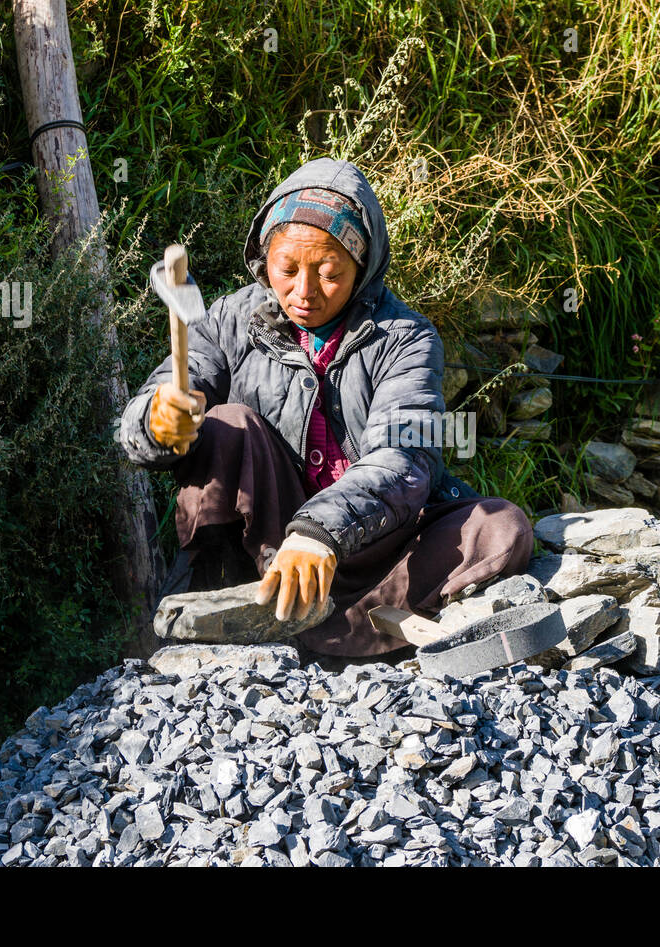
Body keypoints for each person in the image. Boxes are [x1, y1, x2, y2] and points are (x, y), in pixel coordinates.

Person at [116, 157, 533, 659]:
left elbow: (405, 456)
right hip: (266, 546)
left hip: (372, 544)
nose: (305, 291)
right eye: (286, 269)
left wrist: (320, 532)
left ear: (362, 266)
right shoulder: (231, 318)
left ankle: (324, 631)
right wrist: (157, 421)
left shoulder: (406, 338)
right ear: (263, 259)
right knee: (225, 424)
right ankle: (233, 602)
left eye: (329, 272)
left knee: (500, 525)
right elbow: (149, 412)